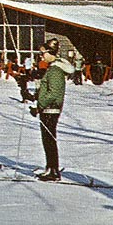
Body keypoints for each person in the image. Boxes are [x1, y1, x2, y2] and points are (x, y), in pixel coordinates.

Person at [28, 38, 74, 181]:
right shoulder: (53, 69)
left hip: (50, 110)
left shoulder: (55, 70)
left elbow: (54, 93)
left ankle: (53, 171)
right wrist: (34, 96)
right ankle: (50, 168)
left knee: (49, 140)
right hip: (48, 109)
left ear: (50, 53)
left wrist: (40, 105)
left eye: (43, 54)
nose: (41, 57)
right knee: (48, 140)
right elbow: (47, 90)